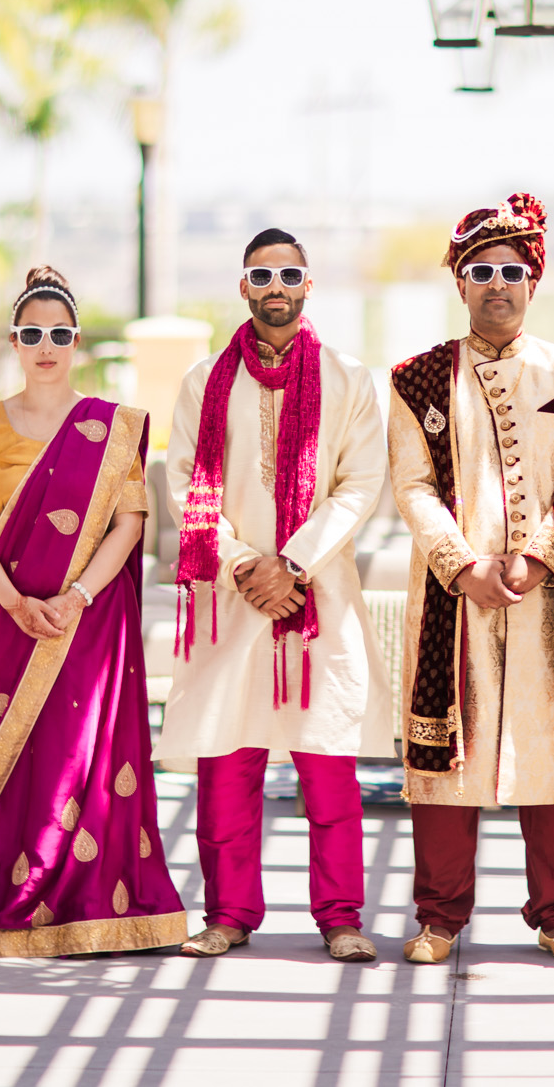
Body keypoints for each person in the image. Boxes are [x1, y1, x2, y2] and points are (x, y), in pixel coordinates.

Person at [0, 268, 187, 956]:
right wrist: (15, 603)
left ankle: (89, 902)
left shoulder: (112, 427)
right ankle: (11, 895)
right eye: (32, 333)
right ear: (14, 342)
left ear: (76, 342)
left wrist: (75, 598)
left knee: (80, 757)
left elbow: (130, 524)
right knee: (12, 762)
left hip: (86, 624)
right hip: (2, 622)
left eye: (60, 334)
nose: (46, 345)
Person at [388, 193, 554, 964]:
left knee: (552, 753)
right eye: (480, 271)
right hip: (459, 600)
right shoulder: (416, 378)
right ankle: (439, 917)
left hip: (548, 597)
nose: (496, 284)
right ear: (459, 283)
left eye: (511, 271)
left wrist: (538, 553)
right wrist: (463, 565)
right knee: (449, 754)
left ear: (533, 280)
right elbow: (412, 484)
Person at [158, 228, 390, 963]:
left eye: (290, 273)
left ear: (308, 284)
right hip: (234, 601)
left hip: (316, 596)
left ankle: (341, 916)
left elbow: (361, 484)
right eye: (263, 275)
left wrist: (291, 562)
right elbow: (184, 486)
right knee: (228, 760)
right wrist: (243, 568)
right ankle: (228, 913)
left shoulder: (350, 379)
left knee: (328, 765)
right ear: (244, 286)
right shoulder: (203, 381)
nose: (277, 286)